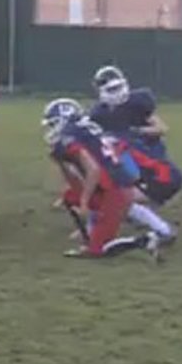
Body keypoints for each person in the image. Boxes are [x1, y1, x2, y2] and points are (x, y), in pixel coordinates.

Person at [42, 98, 160, 260]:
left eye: (53, 123)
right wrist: (61, 163)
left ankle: (144, 241)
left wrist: (84, 203)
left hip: (116, 190)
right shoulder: (84, 130)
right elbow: (76, 176)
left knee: (98, 251)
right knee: (69, 196)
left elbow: (93, 170)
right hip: (112, 186)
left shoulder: (71, 136)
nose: (52, 129)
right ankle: (89, 239)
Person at [89, 64, 169, 156]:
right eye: (111, 90)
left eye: (117, 88)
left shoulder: (138, 102)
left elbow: (161, 128)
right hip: (121, 156)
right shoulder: (98, 113)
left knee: (167, 169)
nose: (115, 93)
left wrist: (137, 131)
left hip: (148, 151)